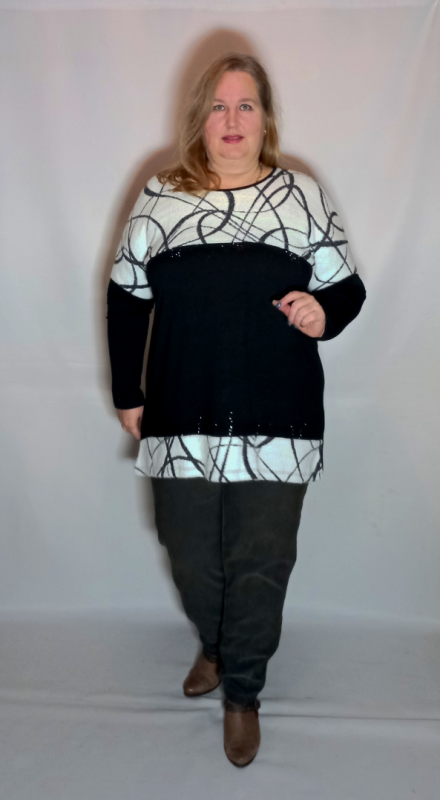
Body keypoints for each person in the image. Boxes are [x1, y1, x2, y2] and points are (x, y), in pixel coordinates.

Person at [107, 52, 366, 767]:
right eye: (218, 105)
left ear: (265, 117)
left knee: (260, 563)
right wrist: (129, 393)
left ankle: (243, 692)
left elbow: (346, 287)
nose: (231, 119)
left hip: (279, 419)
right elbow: (126, 298)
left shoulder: (301, 195)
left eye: (246, 104)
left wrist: (323, 312)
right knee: (190, 554)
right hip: (179, 414)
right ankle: (215, 646)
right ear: (200, 117)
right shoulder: (160, 196)